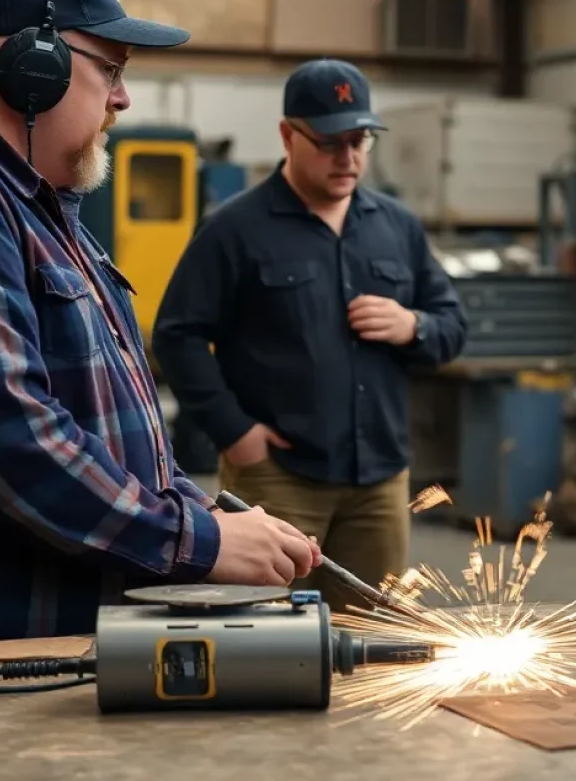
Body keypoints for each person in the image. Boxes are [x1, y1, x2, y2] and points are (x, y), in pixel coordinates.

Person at [0, 0, 320, 641]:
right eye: (111, 69)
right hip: (11, 655)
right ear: (29, 68)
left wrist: (206, 513)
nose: (123, 98)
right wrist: (201, 543)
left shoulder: (43, 210)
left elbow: (104, 436)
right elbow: (9, 435)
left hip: (76, 634)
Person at [152, 59, 469, 612]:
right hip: (278, 478)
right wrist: (235, 432)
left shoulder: (397, 227)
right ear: (287, 136)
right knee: (261, 629)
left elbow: (453, 326)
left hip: (380, 478)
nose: (347, 158)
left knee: (374, 630)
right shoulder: (235, 229)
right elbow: (178, 335)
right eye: (328, 142)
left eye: (359, 141)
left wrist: (413, 324)